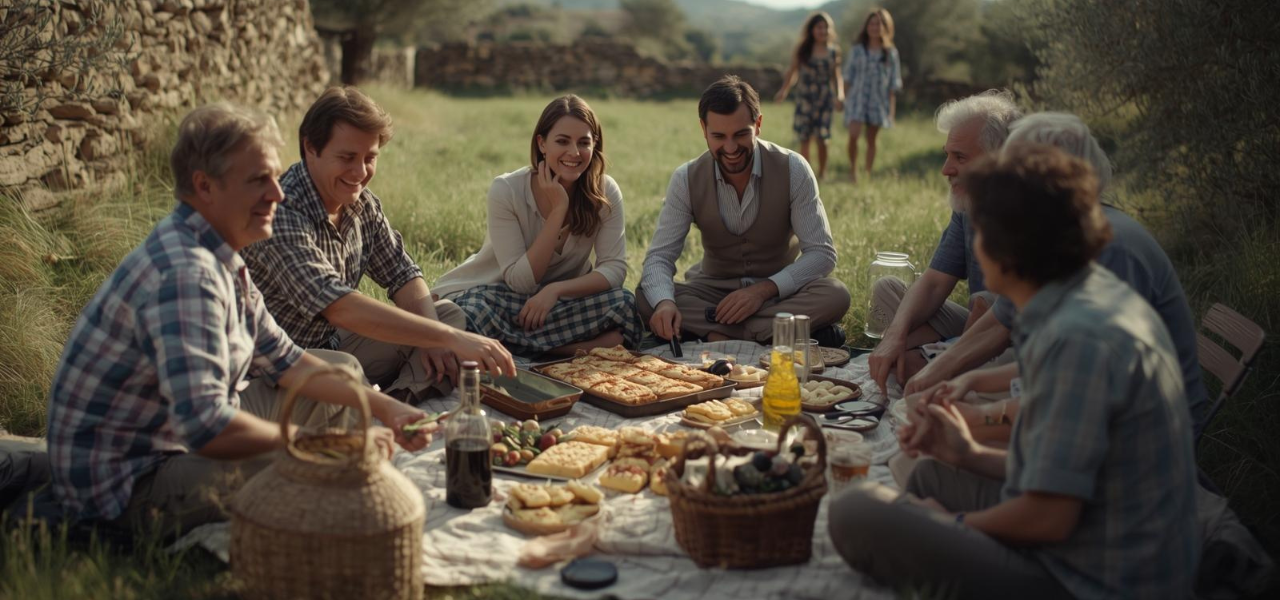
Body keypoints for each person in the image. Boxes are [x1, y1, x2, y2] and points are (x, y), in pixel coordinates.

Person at [42, 104, 436, 538]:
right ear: (204, 186)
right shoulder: (187, 275)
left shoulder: (221, 254)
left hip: (172, 442)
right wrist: (323, 444)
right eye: (257, 181)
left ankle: (325, 512)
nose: (278, 193)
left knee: (342, 378)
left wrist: (384, 407)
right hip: (126, 489)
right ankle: (320, 533)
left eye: (272, 176)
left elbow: (287, 361)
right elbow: (208, 426)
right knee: (322, 460)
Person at [830, 145, 1199, 598]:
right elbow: (1068, 470)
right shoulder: (1080, 297)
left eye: (980, 231)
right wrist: (965, 452)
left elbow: (1050, 516)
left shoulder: (1079, 340)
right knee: (928, 476)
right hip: (1094, 529)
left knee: (854, 510)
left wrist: (956, 524)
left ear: (1007, 249)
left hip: (1093, 576)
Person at [903, 112, 1209, 436]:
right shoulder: (1057, 234)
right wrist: (949, 373)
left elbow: (1080, 396)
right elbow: (1002, 321)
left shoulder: (1111, 250)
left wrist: (975, 421)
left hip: (1145, 432)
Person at [242, 87, 514, 403]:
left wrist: (435, 337)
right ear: (311, 148)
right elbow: (340, 308)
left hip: (332, 344)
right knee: (350, 366)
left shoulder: (362, 205)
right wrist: (444, 337)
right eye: (346, 158)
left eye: (370, 158)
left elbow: (403, 273)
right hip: (278, 367)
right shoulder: (282, 213)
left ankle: (400, 403)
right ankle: (375, 408)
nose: (360, 172)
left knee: (446, 314)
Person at [638, 75, 850, 345]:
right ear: (703, 129)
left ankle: (715, 335)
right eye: (718, 136)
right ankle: (778, 332)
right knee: (647, 296)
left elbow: (821, 254)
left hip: (777, 293)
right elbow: (659, 258)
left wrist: (764, 290)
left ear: (758, 124)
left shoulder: (793, 168)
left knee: (835, 294)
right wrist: (666, 304)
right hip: (714, 294)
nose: (730, 148)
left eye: (740, 134)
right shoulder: (686, 178)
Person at [431, 95, 642, 356]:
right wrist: (558, 211)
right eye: (562, 141)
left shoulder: (605, 191)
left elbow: (614, 269)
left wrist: (555, 290)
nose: (574, 153)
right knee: (469, 315)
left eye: (583, 142)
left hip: (560, 303)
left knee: (624, 304)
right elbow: (521, 283)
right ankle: (566, 350)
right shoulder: (506, 189)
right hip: (496, 295)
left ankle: (514, 350)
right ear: (542, 143)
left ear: (595, 144)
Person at [866, 90, 1022, 395]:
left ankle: (939, 364)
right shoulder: (967, 205)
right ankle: (922, 355)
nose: (946, 169)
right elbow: (936, 281)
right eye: (946, 154)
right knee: (887, 288)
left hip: (1014, 335)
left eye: (960, 157)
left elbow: (1002, 313)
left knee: (986, 303)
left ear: (998, 158)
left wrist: (950, 356)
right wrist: (894, 337)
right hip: (973, 325)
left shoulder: (1027, 208)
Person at [774, 11, 844, 180]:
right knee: (804, 138)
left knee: (823, 139)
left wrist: (840, 95)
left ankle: (822, 173)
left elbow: (836, 76)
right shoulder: (803, 50)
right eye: (819, 27)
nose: (823, 31)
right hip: (805, 99)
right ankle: (806, 175)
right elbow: (792, 72)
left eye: (826, 27)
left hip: (824, 100)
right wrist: (784, 90)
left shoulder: (834, 51)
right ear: (812, 30)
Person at [842, 8, 902, 183]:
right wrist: (843, 100)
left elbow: (893, 85)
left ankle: (867, 173)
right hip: (857, 100)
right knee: (853, 135)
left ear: (886, 27)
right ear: (867, 26)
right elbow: (848, 76)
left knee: (871, 139)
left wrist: (891, 112)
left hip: (878, 102)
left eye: (879, 24)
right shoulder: (857, 50)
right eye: (872, 23)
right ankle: (853, 171)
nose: (875, 27)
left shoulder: (890, 53)